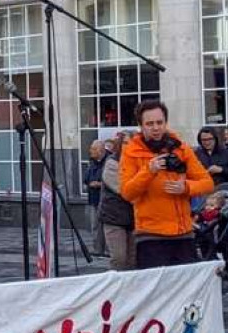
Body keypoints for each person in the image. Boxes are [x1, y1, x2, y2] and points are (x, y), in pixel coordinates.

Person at [119, 100, 213, 269]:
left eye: (159, 122)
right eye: (149, 124)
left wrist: (186, 188)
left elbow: (207, 183)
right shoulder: (131, 153)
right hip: (151, 236)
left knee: (188, 290)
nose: (156, 128)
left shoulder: (181, 148)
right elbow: (127, 193)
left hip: (183, 233)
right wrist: (149, 171)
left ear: (165, 122)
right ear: (141, 126)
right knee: (158, 292)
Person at [100, 131, 136, 271]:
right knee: (119, 259)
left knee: (133, 260)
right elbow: (125, 190)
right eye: (126, 143)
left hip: (133, 218)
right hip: (114, 217)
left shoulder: (137, 163)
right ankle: (115, 290)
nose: (129, 146)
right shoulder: (112, 163)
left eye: (132, 144)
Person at [83, 140, 107, 256]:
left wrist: (99, 184)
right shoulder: (92, 162)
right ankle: (97, 249)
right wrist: (89, 182)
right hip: (93, 198)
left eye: (93, 149)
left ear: (100, 150)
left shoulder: (108, 161)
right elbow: (86, 178)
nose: (90, 151)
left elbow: (113, 181)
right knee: (95, 225)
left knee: (106, 226)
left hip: (106, 200)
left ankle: (108, 249)